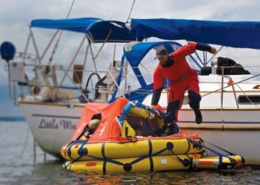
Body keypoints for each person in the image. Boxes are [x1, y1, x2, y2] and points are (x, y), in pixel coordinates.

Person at [150, 42, 217, 135]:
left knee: (194, 96)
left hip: (189, 77)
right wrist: (154, 103)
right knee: (172, 107)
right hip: (176, 83)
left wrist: (209, 48)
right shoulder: (158, 71)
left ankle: (196, 110)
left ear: (166, 55)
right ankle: (170, 127)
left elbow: (193, 45)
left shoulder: (178, 55)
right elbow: (158, 87)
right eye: (158, 58)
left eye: (162, 57)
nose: (160, 60)